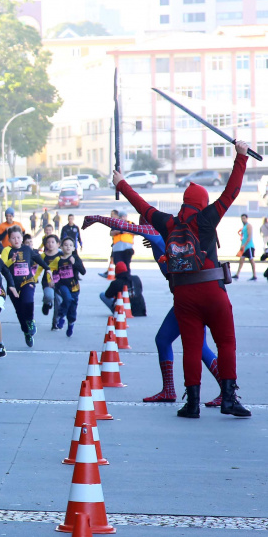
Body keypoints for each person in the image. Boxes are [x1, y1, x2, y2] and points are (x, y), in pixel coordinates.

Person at [113, 141, 251, 417]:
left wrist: (121, 184)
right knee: (225, 343)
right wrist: (241, 157)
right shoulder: (208, 218)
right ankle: (228, 399)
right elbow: (232, 192)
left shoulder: (168, 223)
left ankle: (192, 404)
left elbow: (142, 205)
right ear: (201, 203)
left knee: (190, 346)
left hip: (184, 296)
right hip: (213, 290)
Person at [82, 214, 220, 405]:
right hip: (197, 294)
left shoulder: (155, 231)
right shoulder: (169, 233)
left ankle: (176, 390)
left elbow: (123, 225)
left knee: (166, 340)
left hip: (187, 298)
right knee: (194, 345)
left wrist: (96, 218)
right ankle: (222, 389)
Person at [1, 226, 49, 347]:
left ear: (22, 238)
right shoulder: (7, 251)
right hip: (13, 285)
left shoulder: (27, 249)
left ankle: (31, 321)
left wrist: (48, 269)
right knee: (20, 311)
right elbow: (3, 267)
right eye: (13, 238)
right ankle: (26, 332)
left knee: (28, 301)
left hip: (27, 281)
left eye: (18, 237)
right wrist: (11, 260)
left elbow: (38, 259)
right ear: (9, 240)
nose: (16, 240)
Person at [52, 237, 85, 337]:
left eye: (70, 245)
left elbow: (83, 271)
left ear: (73, 247)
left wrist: (74, 263)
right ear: (61, 247)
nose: (68, 247)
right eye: (65, 245)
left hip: (74, 287)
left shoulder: (75, 258)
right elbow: (53, 271)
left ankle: (71, 323)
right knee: (67, 298)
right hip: (62, 285)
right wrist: (54, 282)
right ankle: (61, 316)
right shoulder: (58, 260)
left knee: (72, 308)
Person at [36, 234, 63, 331]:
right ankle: (46, 303)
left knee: (58, 302)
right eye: (48, 242)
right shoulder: (43, 255)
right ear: (45, 244)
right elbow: (39, 268)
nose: (50, 244)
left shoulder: (61, 255)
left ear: (58, 244)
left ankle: (55, 323)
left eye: (53, 242)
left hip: (60, 282)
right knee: (49, 296)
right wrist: (35, 278)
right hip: (47, 282)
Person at [234, 214, 257, 280]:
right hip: (244, 247)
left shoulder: (248, 226)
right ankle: (237, 274)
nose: (243, 220)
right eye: (242, 218)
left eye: (244, 218)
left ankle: (254, 275)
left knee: (251, 260)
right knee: (241, 260)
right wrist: (241, 246)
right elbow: (243, 237)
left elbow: (249, 237)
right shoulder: (243, 227)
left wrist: (245, 245)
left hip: (249, 246)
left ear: (247, 218)